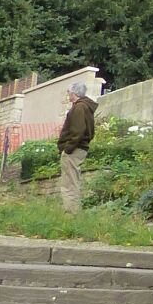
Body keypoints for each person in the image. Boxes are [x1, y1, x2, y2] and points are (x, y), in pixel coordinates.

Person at [57, 81, 97, 213]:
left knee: (69, 183)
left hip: (74, 150)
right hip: (79, 148)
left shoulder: (79, 108)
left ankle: (71, 214)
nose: (68, 94)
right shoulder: (85, 107)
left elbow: (78, 131)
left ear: (74, 93)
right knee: (73, 181)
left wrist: (68, 148)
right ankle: (73, 212)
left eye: (68, 92)